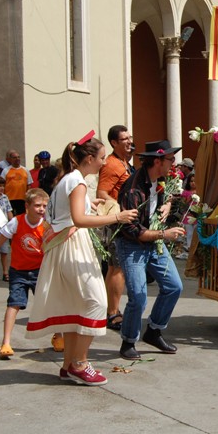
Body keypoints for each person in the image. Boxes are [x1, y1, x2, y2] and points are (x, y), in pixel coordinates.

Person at [25, 133, 138, 385]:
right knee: (95, 302)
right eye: (101, 157)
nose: (104, 162)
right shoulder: (77, 182)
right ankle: (79, 363)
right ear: (89, 158)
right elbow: (79, 220)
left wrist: (91, 203)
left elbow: (72, 212)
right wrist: (117, 217)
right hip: (71, 246)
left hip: (64, 246)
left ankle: (68, 365)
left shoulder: (69, 179)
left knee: (75, 305)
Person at [116, 140, 185, 361]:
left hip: (154, 241)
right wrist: (165, 234)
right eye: (170, 160)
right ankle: (128, 341)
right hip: (133, 244)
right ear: (157, 161)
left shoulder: (160, 179)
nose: (173, 164)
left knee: (174, 286)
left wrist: (166, 205)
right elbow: (133, 231)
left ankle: (154, 331)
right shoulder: (133, 189)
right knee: (138, 296)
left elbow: (165, 198)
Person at [0, 188, 55, 357]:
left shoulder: (47, 225)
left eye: (44, 206)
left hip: (41, 271)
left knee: (51, 305)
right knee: (13, 304)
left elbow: (55, 247)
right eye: (37, 205)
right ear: (27, 206)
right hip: (19, 272)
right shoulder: (16, 222)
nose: (41, 209)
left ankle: (58, 336)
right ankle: (6, 343)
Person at [97, 125, 135, 331]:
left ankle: (111, 309)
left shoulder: (124, 163)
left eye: (130, 138)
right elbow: (102, 192)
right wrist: (119, 212)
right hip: (116, 223)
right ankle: (113, 313)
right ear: (114, 143)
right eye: (124, 139)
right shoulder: (112, 165)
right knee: (116, 267)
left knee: (115, 267)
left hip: (123, 221)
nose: (129, 142)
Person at [1, 150, 33, 216]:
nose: (17, 159)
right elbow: (1, 184)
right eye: (15, 157)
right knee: (11, 218)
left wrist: (28, 197)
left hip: (22, 199)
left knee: (21, 217)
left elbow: (29, 185)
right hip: (9, 199)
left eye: (18, 157)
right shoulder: (6, 170)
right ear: (10, 159)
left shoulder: (25, 170)